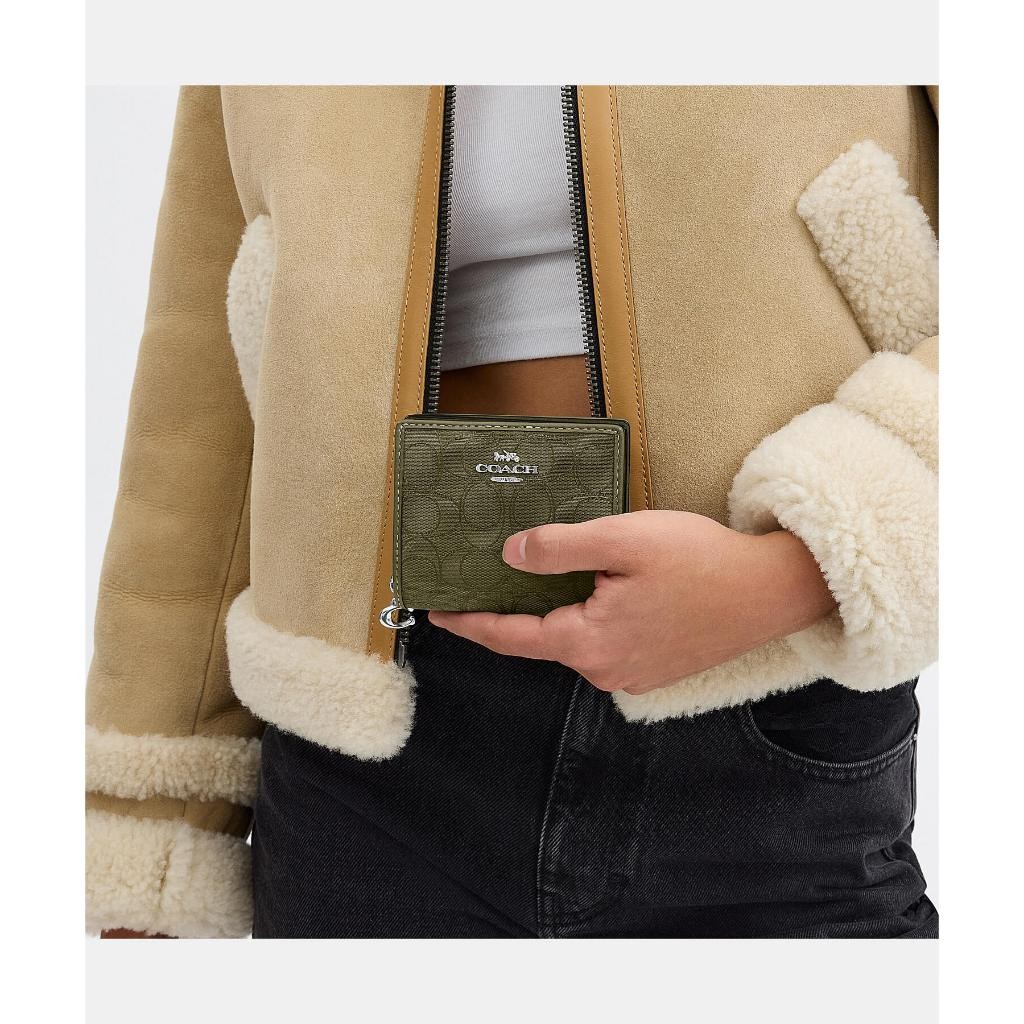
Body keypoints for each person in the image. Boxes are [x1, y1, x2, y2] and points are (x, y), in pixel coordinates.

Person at [86, 84, 938, 939]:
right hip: (360, 738)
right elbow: (197, 396)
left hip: (766, 703)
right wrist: (152, 833)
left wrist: (792, 571)